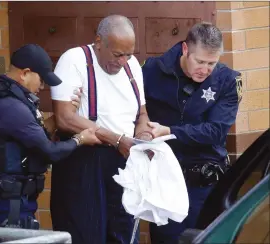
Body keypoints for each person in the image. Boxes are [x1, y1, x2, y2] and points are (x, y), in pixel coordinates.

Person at [0, 44, 100, 243]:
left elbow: (23, 136)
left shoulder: (2, 94)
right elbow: (50, 151)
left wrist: (59, 119)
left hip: (10, 201)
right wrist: (80, 139)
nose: (42, 87)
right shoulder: (11, 106)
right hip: (8, 206)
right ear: (25, 73)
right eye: (41, 80)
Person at [49, 15, 153, 244]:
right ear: (99, 42)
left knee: (124, 232)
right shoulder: (75, 60)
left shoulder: (132, 66)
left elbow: (142, 114)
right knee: (85, 234)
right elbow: (65, 119)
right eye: (117, 55)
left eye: (128, 54)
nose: (123, 61)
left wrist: (144, 136)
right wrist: (116, 139)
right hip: (85, 160)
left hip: (124, 157)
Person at [142, 22, 242, 243]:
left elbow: (215, 131)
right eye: (200, 61)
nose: (205, 70)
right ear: (185, 49)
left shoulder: (227, 80)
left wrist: (169, 131)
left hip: (205, 184)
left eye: (211, 63)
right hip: (165, 182)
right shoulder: (152, 71)